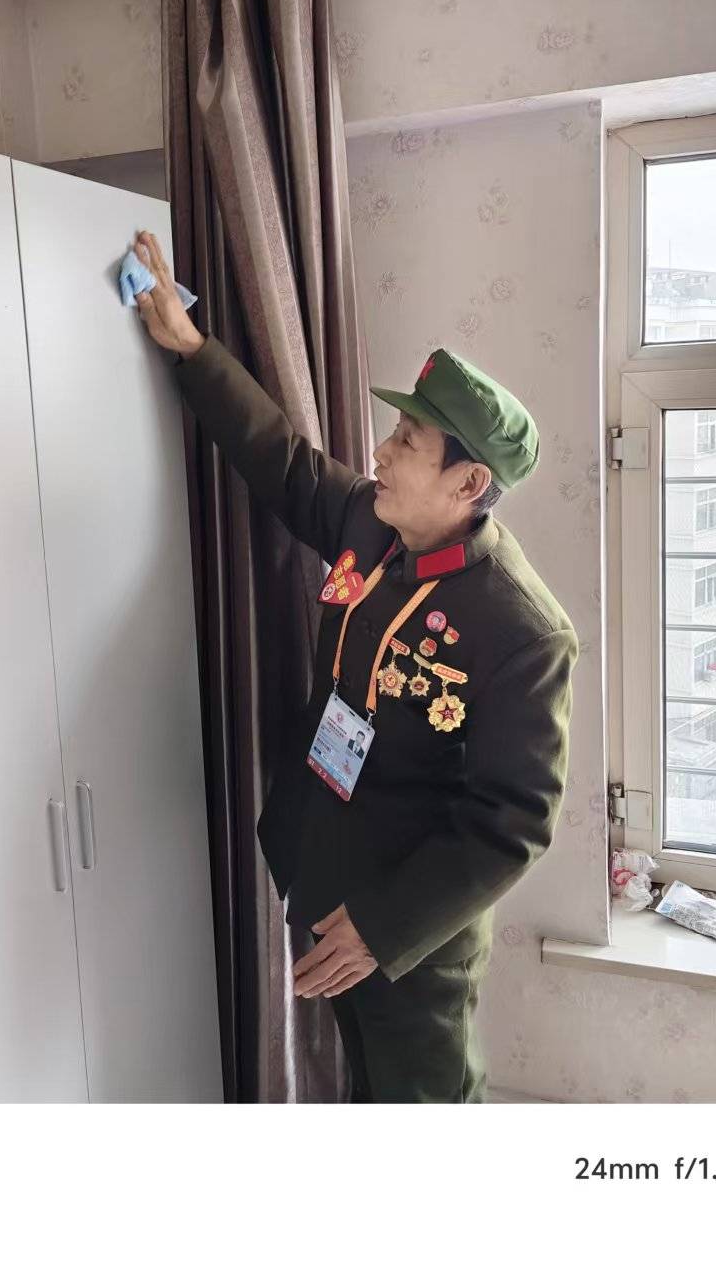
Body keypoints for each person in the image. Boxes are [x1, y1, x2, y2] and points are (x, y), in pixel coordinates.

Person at [131, 231, 577, 1103]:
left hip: (407, 932)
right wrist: (193, 348)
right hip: (322, 869)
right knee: (360, 1087)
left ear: (468, 484)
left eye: (408, 439)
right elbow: (282, 461)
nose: (381, 451)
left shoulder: (523, 631)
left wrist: (380, 928)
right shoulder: (373, 523)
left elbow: (512, 822)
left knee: (422, 1100)